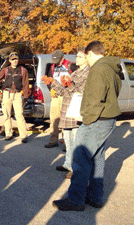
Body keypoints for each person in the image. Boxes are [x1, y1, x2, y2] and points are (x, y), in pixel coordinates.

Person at [53, 41, 122, 211]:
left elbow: (95, 98)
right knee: (97, 159)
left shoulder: (98, 68)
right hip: (107, 119)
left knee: (81, 158)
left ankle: (76, 200)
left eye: (85, 56)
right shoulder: (112, 68)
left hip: (96, 120)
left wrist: (87, 118)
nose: (85, 60)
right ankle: (95, 197)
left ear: (91, 53)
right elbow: (115, 90)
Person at [42, 48, 90, 179]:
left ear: (87, 58)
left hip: (76, 109)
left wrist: (69, 85)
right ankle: (68, 164)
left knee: (75, 141)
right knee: (68, 139)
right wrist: (53, 83)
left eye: (80, 57)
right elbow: (64, 91)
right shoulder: (76, 73)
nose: (77, 59)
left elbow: (80, 92)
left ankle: (76, 169)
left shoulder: (88, 73)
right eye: (77, 56)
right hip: (67, 108)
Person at [0, 52, 29, 143]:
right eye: (13, 59)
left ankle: (23, 135)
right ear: (10, 61)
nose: (15, 61)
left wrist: (25, 96)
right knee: (6, 115)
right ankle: (8, 134)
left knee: (19, 115)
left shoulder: (23, 70)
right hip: (6, 94)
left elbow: (26, 84)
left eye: (16, 59)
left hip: (17, 94)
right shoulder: (5, 70)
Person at [44, 50, 71, 148]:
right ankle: (53, 140)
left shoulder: (69, 66)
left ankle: (66, 143)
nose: (56, 63)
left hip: (66, 96)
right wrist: (51, 89)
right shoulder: (52, 67)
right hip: (55, 96)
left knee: (65, 120)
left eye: (58, 60)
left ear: (63, 58)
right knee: (54, 119)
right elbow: (49, 80)